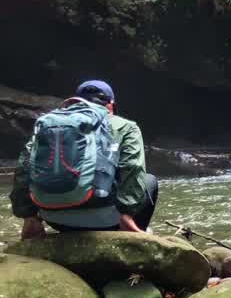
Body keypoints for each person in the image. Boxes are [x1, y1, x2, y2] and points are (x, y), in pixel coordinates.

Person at [10, 80, 158, 238]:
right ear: (110, 105)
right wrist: (127, 213)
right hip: (106, 221)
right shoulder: (126, 126)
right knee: (150, 180)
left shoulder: (49, 124)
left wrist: (28, 217)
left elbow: (24, 169)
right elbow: (133, 168)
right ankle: (132, 231)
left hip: (53, 217)